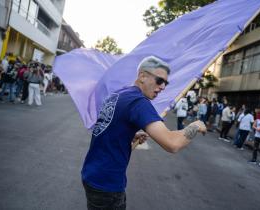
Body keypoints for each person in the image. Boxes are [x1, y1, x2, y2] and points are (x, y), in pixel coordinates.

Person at [81, 56, 207, 210]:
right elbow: (172, 144)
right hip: (107, 183)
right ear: (142, 76)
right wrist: (195, 125)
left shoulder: (120, 94)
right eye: (159, 80)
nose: (162, 87)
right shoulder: (139, 102)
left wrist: (129, 135)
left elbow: (108, 128)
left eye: (165, 83)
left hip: (93, 173)